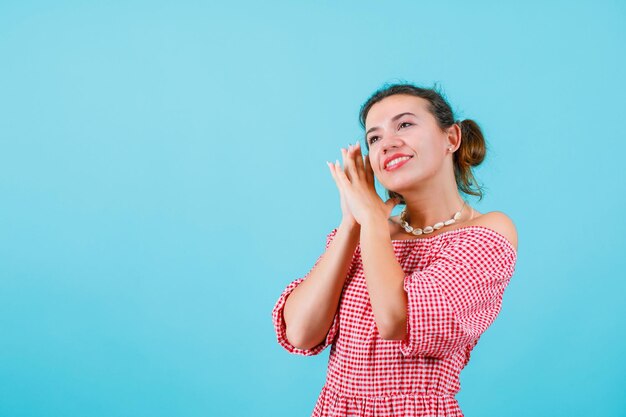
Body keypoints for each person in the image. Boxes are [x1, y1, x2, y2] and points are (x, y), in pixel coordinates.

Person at [271, 83, 518, 417]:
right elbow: (300, 332)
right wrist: (351, 224)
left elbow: (397, 319)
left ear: (451, 138)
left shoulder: (487, 232)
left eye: (405, 124)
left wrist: (371, 220)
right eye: (374, 138)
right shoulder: (365, 231)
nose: (387, 143)